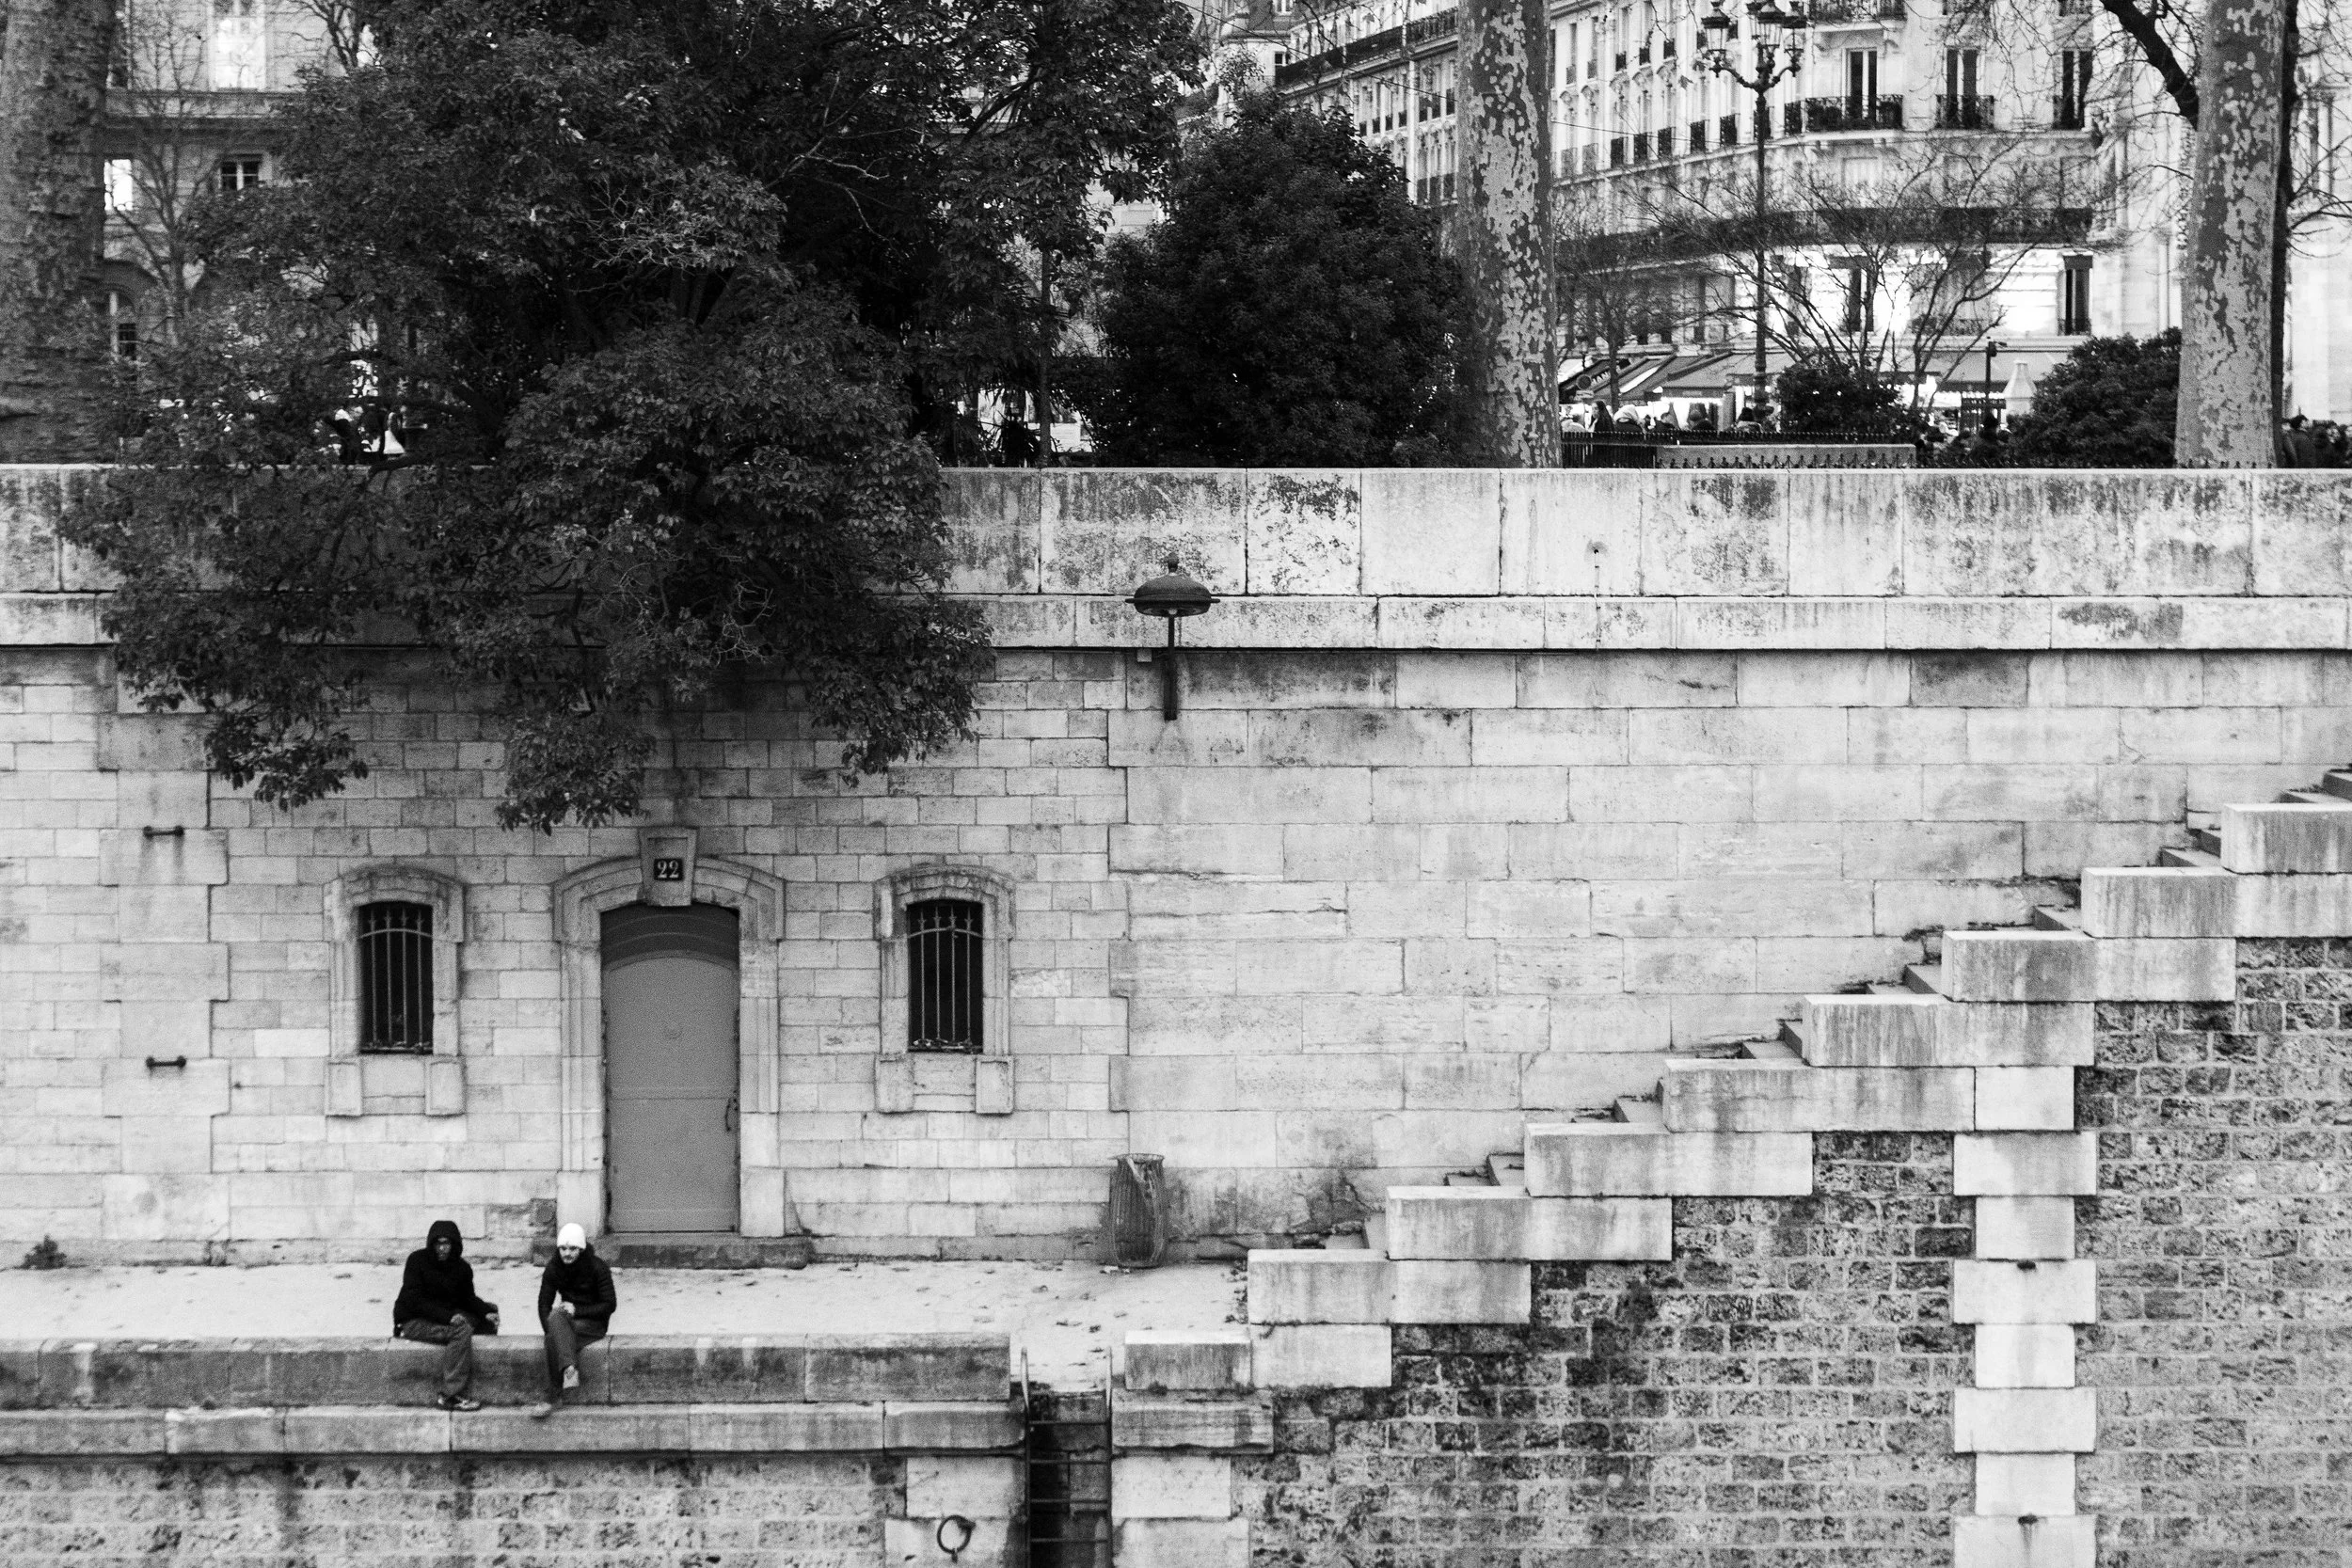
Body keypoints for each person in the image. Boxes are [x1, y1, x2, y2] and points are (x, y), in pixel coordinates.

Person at [393, 1219, 500, 1411]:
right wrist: (448, 1317)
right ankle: (450, 1395)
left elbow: (467, 1298)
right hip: (413, 1320)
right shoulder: (417, 1261)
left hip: (442, 1314)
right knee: (461, 1329)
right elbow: (414, 1301)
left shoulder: (462, 1268)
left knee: (487, 1315)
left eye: (447, 1243)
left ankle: (464, 1356)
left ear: (455, 1245)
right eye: (438, 1243)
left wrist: (486, 1313)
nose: (442, 1249)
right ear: (432, 1244)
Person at [531, 1223, 617, 1418]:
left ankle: (553, 1397)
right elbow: (543, 1304)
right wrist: (551, 1331)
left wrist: (577, 1310)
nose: (567, 1253)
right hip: (563, 1321)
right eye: (563, 1248)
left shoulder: (597, 1267)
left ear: (581, 1249)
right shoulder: (553, 1268)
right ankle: (569, 1368)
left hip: (593, 1323)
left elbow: (609, 1305)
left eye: (572, 1249)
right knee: (553, 1325)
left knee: (555, 1328)